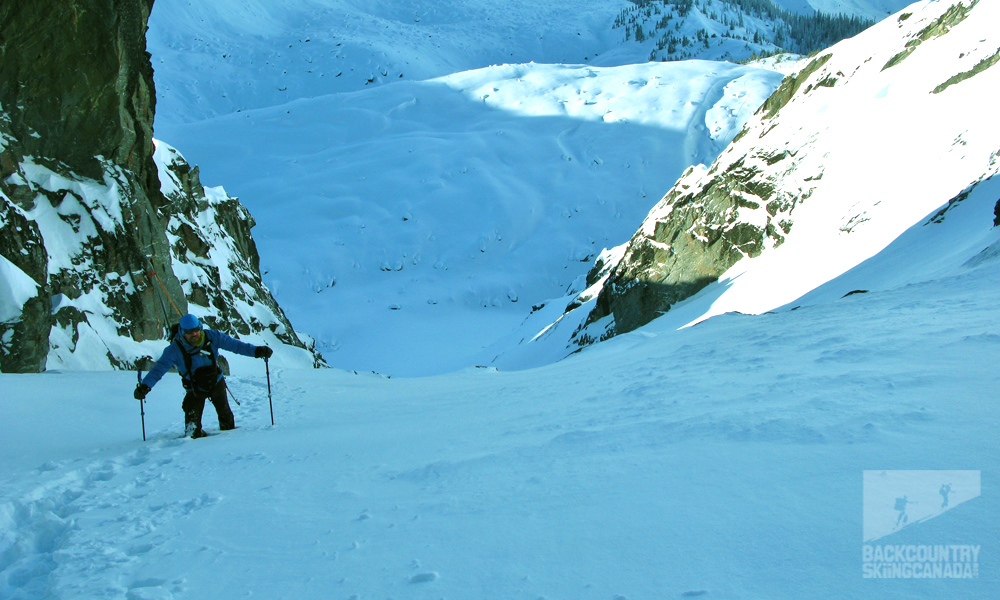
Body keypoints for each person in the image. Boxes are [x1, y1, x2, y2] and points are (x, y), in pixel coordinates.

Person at [134, 313, 273, 438]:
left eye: (196, 330)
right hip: (194, 389)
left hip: (216, 382)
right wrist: (145, 386)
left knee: (227, 420)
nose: (194, 334)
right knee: (192, 433)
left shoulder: (212, 337)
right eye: (189, 332)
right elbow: (158, 370)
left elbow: (235, 346)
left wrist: (256, 351)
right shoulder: (174, 350)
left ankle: (230, 448)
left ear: (200, 327)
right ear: (182, 332)